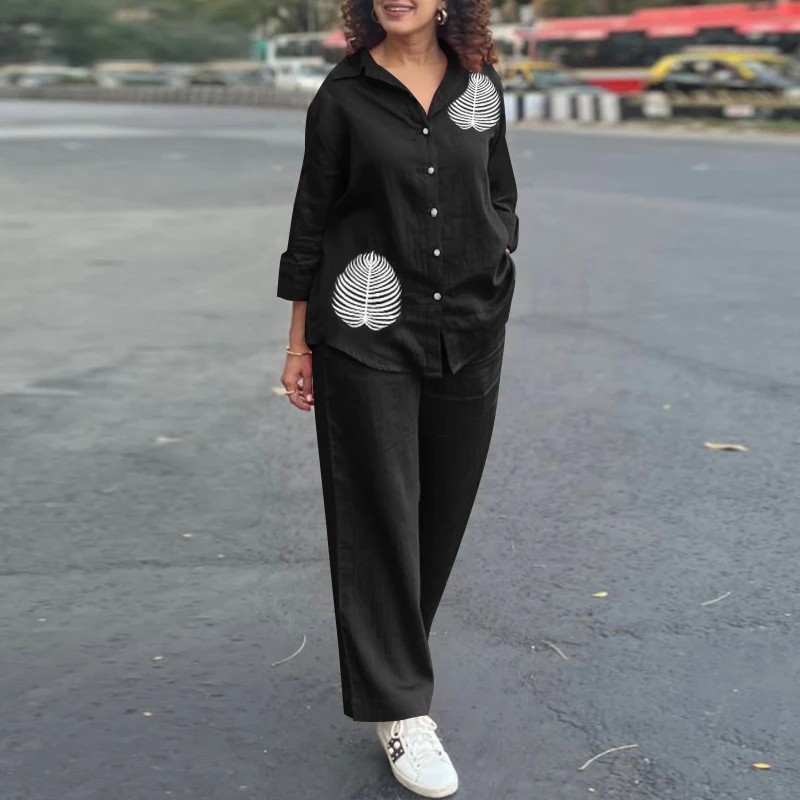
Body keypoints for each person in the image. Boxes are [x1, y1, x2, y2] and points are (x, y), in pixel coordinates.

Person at [276, 0, 519, 795]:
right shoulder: (343, 96)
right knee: (379, 509)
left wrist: (496, 248)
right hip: (366, 327)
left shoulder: (480, 85)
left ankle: (392, 661)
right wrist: (299, 343)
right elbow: (311, 220)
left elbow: (501, 189)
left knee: (441, 509)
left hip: (469, 324)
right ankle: (401, 709)